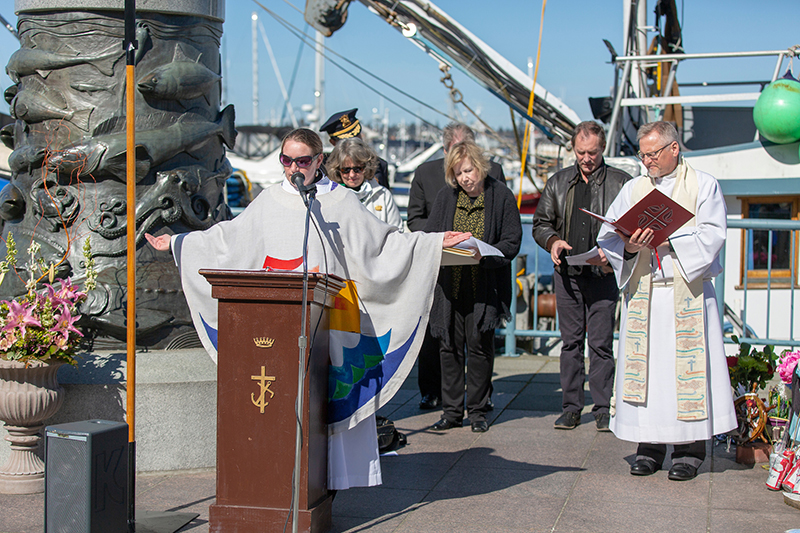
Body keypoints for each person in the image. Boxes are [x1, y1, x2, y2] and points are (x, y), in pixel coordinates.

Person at [146, 128, 470, 490]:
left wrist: (432, 242)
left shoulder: (342, 202)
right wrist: (180, 242)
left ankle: (326, 485)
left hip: (331, 320)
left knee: (328, 399)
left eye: (302, 160)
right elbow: (227, 240)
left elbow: (384, 244)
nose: (293, 168)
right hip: (278, 325)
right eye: (286, 160)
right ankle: (284, 478)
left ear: (319, 161)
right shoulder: (269, 201)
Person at [596, 121, 736, 481]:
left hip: (685, 292)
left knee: (683, 376)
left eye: (652, 153)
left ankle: (689, 452)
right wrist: (629, 245)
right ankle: (649, 448)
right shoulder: (633, 188)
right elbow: (609, 236)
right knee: (649, 378)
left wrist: (669, 240)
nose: (647, 162)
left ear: (674, 148)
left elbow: (714, 234)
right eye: (642, 154)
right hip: (644, 293)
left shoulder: (704, 185)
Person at [532, 121, 632, 432]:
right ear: (573, 149)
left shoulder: (621, 182)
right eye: (580, 152)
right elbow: (541, 223)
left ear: (603, 149)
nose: (586, 158)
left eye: (592, 152)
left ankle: (603, 409)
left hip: (603, 274)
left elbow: (631, 230)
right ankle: (571, 408)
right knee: (570, 343)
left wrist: (613, 255)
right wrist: (552, 241)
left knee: (601, 344)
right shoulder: (559, 181)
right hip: (567, 273)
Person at [425, 140, 521, 433]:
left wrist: (485, 254)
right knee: (449, 348)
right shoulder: (446, 197)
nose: (465, 178)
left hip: (484, 286)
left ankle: (478, 411)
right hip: (450, 287)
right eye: (458, 173)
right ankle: (452, 412)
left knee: (480, 348)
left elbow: (511, 241)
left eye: (468, 170)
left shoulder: (501, 196)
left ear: (479, 165)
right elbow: (431, 235)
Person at [407, 122, 506, 410]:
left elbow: (502, 223)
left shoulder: (495, 175)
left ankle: (478, 401)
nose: (462, 171)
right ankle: (432, 392)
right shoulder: (426, 173)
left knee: (479, 342)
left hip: (478, 272)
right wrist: (445, 240)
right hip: (441, 267)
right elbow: (415, 220)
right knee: (438, 337)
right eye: (454, 154)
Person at [326, 137, 403, 231]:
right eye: (345, 170)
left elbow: (397, 232)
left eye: (357, 169)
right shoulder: (330, 198)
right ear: (337, 170)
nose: (352, 175)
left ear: (366, 167)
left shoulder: (382, 196)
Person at [320, 108, 390, 189]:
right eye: (345, 170)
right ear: (332, 142)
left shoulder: (378, 164)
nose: (352, 145)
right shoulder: (322, 167)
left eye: (356, 137)